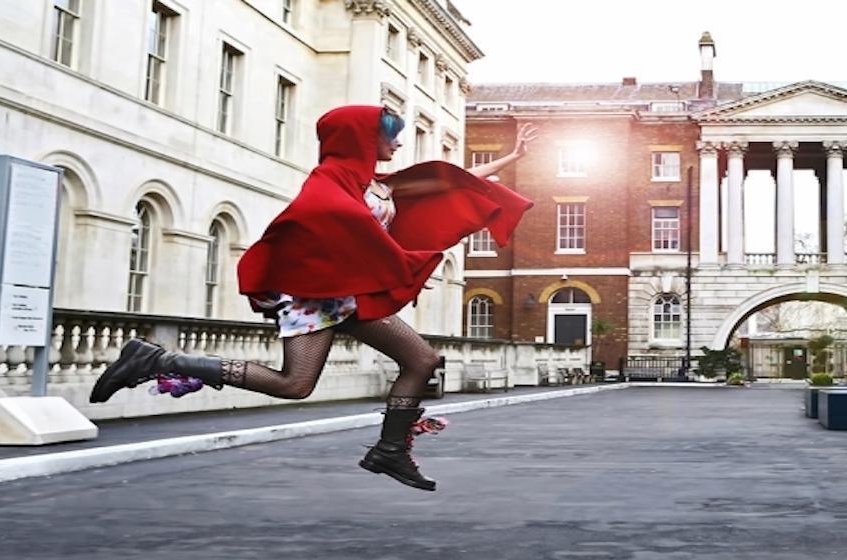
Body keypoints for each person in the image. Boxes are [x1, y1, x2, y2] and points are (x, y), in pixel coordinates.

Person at [90, 105, 538, 492]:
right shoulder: (329, 180)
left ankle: (389, 450)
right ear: (365, 138)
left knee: (421, 361)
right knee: (295, 384)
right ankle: (159, 362)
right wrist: (381, 252)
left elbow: (450, 183)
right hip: (315, 296)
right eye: (391, 137)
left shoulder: (378, 184)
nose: (398, 146)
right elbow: (307, 220)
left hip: (345, 297)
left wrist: (510, 159)